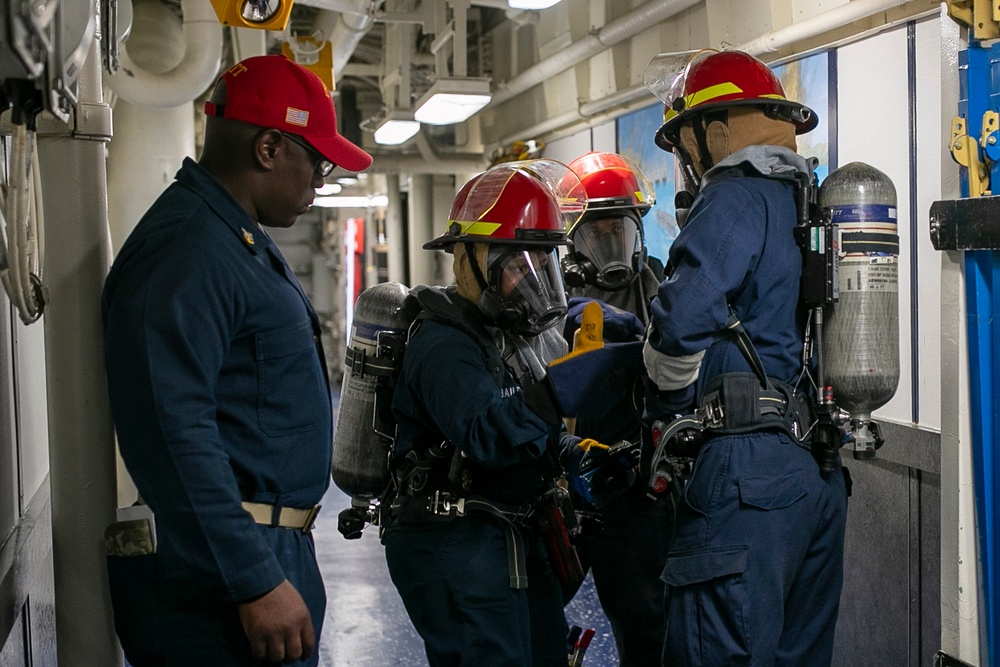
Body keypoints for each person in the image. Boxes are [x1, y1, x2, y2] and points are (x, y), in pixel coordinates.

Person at [101, 54, 372, 666]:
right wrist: (254, 578)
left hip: (259, 552)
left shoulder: (231, 239)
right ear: (269, 148)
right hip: (224, 577)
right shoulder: (187, 249)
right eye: (318, 163)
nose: (320, 183)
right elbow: (171, 430)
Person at [640, 49, 849, 666]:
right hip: (814, 471)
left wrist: (664, 398)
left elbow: (680, 322)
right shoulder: (805, 200)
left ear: (716, 131)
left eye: (685, 145)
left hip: (745, 479)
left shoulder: (734, 195)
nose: (687, 162)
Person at [381, 159, 588, 667]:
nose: (532, 283)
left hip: (507, 534)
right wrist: (559, 390)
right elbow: (484, 433)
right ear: (470, 261)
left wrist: (570, 450)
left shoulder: (504, 333)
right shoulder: (443, 344)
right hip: (455, 544)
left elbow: (520, 422)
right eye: (517, 267)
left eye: (543, 266)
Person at [558, 151, 671, 666]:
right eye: (596, 232)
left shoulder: (661, 287)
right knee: (533, 615)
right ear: (572, 238)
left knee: (646, 622)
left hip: (637, 486)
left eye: (618, 230)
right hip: (566, 480)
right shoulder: (549, 295)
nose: (610, 244)